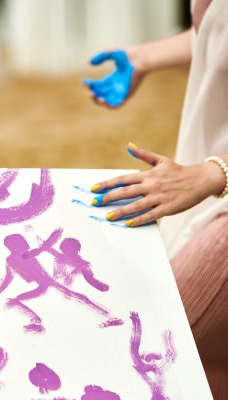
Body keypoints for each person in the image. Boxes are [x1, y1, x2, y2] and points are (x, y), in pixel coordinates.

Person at [83, 1, 228, 398]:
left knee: (148, 342)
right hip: (208, 191)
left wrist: (212, 172)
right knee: (207, 372)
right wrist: (145, 56)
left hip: (219, 199)